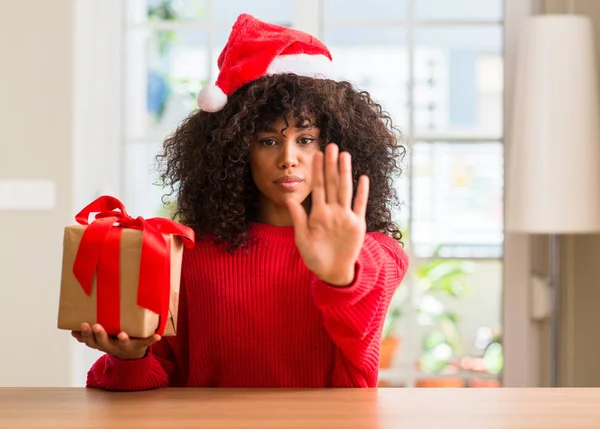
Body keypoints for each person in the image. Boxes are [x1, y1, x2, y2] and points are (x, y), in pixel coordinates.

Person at [72, 13, 409, 390]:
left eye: (305, 139)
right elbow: (156, 382)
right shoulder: (189, 255)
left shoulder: (376, 254)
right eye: (267, 141)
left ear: (336, 146)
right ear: (234, 152)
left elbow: (361, 323)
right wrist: (130, 356)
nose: (288, 158)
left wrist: (341, 276)